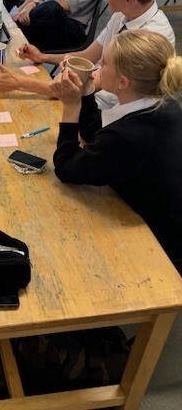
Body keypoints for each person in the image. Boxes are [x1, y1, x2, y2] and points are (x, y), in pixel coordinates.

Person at [50, 30, 182, 275]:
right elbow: (95, 132)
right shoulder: (167, 105)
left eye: (105, 63)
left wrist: (70, 107)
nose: (97, 65)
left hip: (164, 250)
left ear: (123, 83)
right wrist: (86, 90)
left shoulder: (129, 136)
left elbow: (66, 168)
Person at [0, 0, 175, 109]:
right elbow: (88, 56)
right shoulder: (122, 14)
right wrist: (43, 57)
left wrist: (20, 83)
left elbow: (85, 88)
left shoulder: (148, 39)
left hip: (107, 110)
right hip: (94, 95)